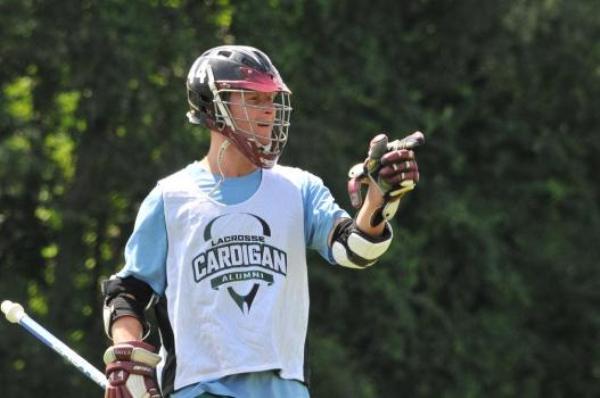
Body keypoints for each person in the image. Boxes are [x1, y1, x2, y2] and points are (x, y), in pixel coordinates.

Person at [100, 45, 421, 398]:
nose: (268, 111)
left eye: (271, 100)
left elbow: (356, 249)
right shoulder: (171, 198)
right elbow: (127, 293)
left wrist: (380, 198)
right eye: (253, 99)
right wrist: (127, 358)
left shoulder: (299, 188)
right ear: (213, 105)